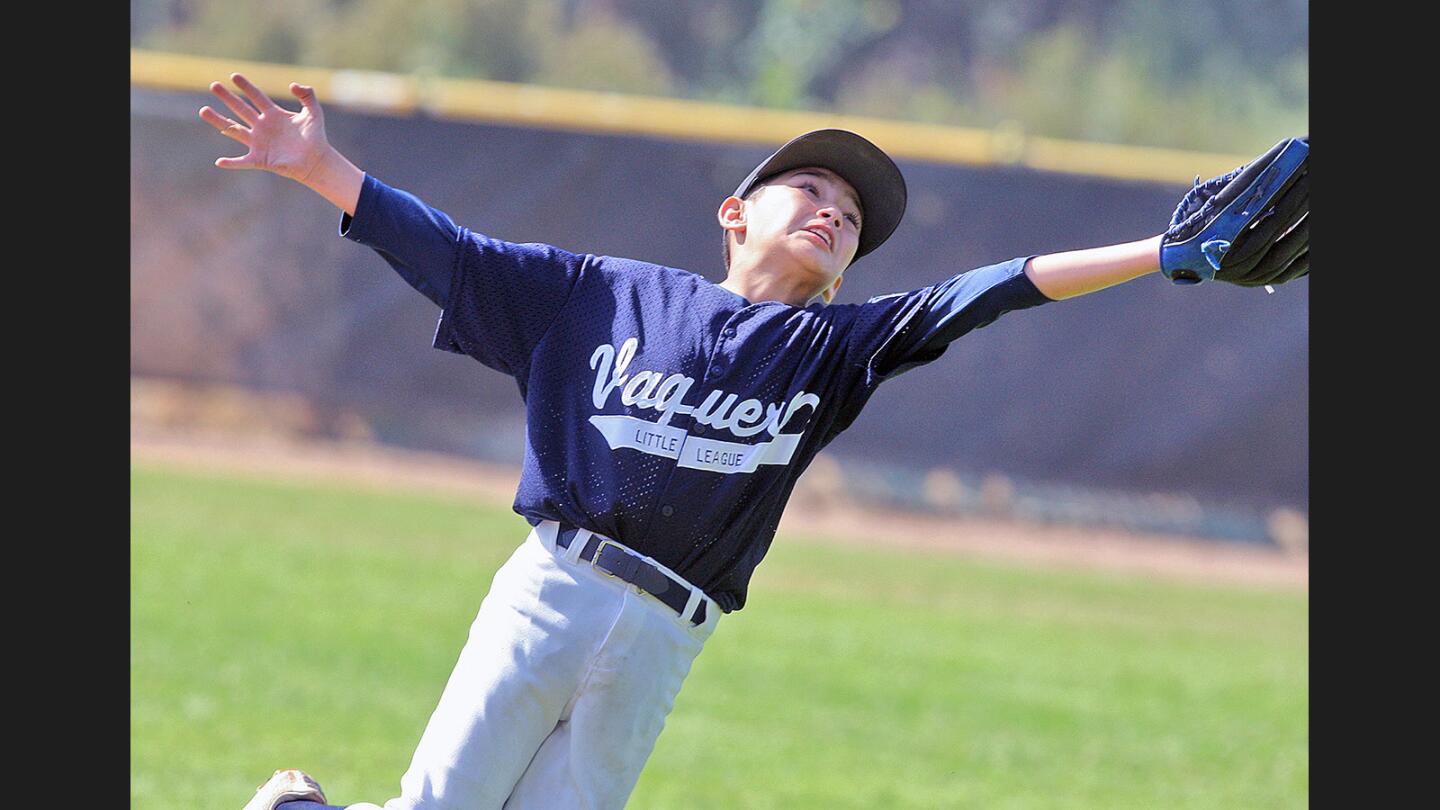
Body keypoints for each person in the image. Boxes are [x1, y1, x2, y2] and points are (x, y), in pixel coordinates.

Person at [198, 74, 1294, 810]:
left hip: (669, 638)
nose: (832, 212)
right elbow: (454, 254)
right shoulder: (601, 297)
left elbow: (990, 291)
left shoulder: (831, 352)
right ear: (735, 211)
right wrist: (316, 170)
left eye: (851, 219)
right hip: (553, 595)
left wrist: (1162, 250)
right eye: (809, 189)